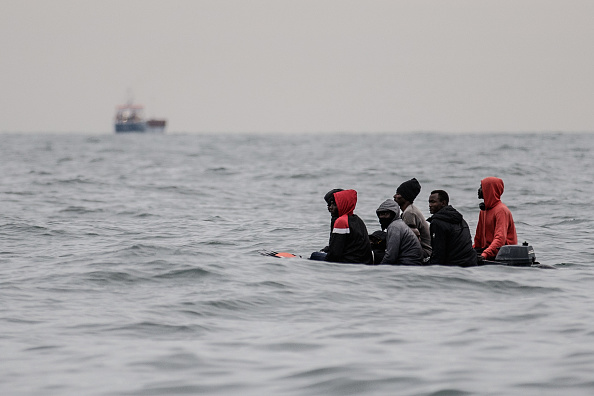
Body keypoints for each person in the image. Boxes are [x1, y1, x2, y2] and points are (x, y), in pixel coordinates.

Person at [314, 189, 373, 264]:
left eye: (334, 205)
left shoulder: (341, 222)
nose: (330, 207)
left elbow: (335, 254)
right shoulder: (358, 220)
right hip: (363, 262)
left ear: (343, 205)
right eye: (329, 205)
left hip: (349, 262)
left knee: (315, 255)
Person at [427, 190, 477, 267]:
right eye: (429, 202)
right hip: (470, 262)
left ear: (443, 203)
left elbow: (438, 254)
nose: (430, 205)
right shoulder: (460, 219)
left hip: (454, 266)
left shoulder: (437, 222)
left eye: (433, 202)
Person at [473, 177, 517, 260]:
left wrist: (485, 255)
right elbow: (478, 240)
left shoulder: (501, 210)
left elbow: (500, 239)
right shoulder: (484, 210)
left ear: (489, 190)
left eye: (481, 187)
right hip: (488, 251)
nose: (479, 190)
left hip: (504, 253)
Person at [393, 178, 432, 260]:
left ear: (406, 196)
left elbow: (407, 239)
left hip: (423, 251)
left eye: (398, 194)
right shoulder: (410, 210)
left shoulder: (409, 213)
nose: (395, 196)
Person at [376, 199, 423, 265]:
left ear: (393, 214)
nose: (382, 217)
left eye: (386, 214)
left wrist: (379, 269)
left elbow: (391, 256)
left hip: (409, 264)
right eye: (381, 214)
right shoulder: (398, 224)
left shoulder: (394, 227)